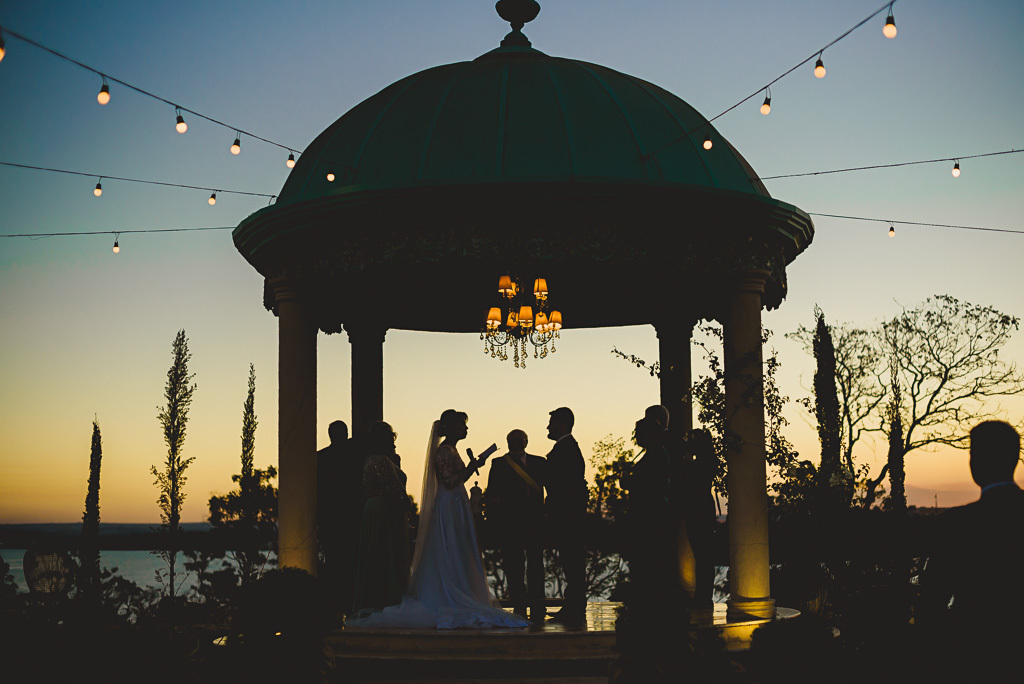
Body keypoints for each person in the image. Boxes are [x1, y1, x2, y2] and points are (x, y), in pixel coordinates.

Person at [345, 410, 528, 629]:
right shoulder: (444, 451)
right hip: (449, 504)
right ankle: (449, 590)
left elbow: (456, 479)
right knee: (449, 545)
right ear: (450, 427)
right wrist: (470, 468)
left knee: (457, 548)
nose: (466, 428)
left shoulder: (451, 450)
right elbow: (449, 481)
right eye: (462, 425)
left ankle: (460, 586)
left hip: (455, 502)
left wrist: (470, 469)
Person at [919, 420, 1024, 660]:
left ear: (975, 463)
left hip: (973, 651)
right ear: (1014, 459)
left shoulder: (956, 524)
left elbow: (932, 603)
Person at [486, 429, 548, 623]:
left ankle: (538, 604)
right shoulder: (498, 464)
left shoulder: (539, 462)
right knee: (514, 567)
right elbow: (492, 493)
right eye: (512, 440)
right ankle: (519, 605)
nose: (516, 443)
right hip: (510, 523)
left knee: (536, 565)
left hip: (535, 522)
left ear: (526, 442)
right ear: (507, 442)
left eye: (519, 440)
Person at [351, 421, 411, 616]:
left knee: (378, 553)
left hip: (378, 509)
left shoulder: (375, 460)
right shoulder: (381, 461)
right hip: (384, 511)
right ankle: (386, 598)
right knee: (384, 554)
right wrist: (408, 505)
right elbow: (395, 490)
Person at [544, 407, 588, 627]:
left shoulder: (566, 450)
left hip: (568, 517)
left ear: (562, 425)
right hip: (569, 516)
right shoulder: (568, 448)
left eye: (551, 423)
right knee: (571, 563)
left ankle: (575, 608)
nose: (548, 427)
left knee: (573, 562)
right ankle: (573, 606)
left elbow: (561, 484)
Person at [625, 415, 673, 597]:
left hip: (651, 516)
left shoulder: (657, 455)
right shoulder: (654, 454)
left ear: (649, 434)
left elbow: (651, 484)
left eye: (638, 433)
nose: (636, 436)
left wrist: (630, 481)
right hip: (649, 515)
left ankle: (650, 600)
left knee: (650, 560)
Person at [317, 420, 361, 615]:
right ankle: (347, 605)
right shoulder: (355, 455)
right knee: (348, 563)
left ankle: (335, 606)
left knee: (334, 562)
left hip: (331, 519)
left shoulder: (321, 457)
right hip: (347, 519)